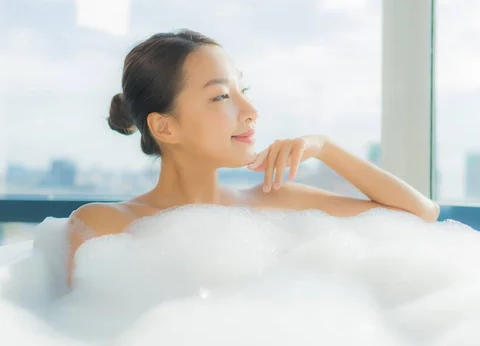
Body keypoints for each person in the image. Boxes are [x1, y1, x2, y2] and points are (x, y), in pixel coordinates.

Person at [67, 29, 439, 284]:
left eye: (242, 89)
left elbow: (420, 214)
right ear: (165, 127)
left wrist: (324, 147)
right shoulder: (104, 226)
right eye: (221, 96)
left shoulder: (276, 200)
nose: (251, 111)